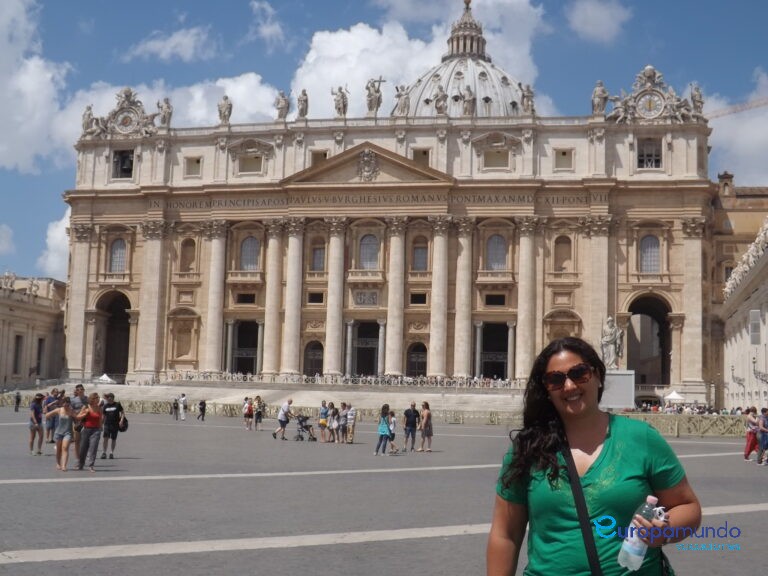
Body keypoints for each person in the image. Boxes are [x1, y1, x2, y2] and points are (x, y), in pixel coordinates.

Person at [487, 337, 701, 576]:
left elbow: (688, 506)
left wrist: (665, 531)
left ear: (598, 376)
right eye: (555, 380)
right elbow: (505, 533)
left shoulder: (641, 438)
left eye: (579, 373)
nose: (569, 386)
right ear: (546, 390)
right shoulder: (528, 448)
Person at [46, 396, 76, 471]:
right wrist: (49, 418)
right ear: (62, 403)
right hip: (58, 432)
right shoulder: (59, 410)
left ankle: (64, 466)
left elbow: (77, 418)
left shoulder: (71, 411)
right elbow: (47, 415)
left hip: (68, 433)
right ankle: (58, 463)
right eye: (65, 403)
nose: (66, 405)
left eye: (68, 403)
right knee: (58, 449)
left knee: (65, 448)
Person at [77, 392, 103, 472]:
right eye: (97, 398)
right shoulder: (86, 407)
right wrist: (85, 413)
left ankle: (91, 466)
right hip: (86, 429)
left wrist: (100, 428)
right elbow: (78, 417)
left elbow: (100, 419)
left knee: (93, 448)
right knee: (83, 448)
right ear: (92, 399)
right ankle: (81, 464)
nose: (98, 399)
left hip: (96, 430)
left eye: (98, 398)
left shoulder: (99, 408)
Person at [100, 392, 125, 460]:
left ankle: (111, 453)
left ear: (112, 398)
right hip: (107, 424)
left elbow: (122, 413)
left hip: (115, 425)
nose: (108, 399)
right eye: (107, 397)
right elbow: (103, 416)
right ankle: (104, 453)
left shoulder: (117, 404)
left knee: (113, 439)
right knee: (105, 438)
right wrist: (101, 425)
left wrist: (121, 420)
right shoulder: (105, 406)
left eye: (109, 397)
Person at [70, 384, 87, 455]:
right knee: (77, 441)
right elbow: (71, 411)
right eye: (78, 390)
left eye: (81, 389)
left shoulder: (88, 399)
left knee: (85, 440)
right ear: (76, 391)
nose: (80, 391)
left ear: (84, 390)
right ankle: (77, 456)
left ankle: (84, 455)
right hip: (77, 423)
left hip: (86, 422)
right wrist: (76, 418)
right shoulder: (73, 400)